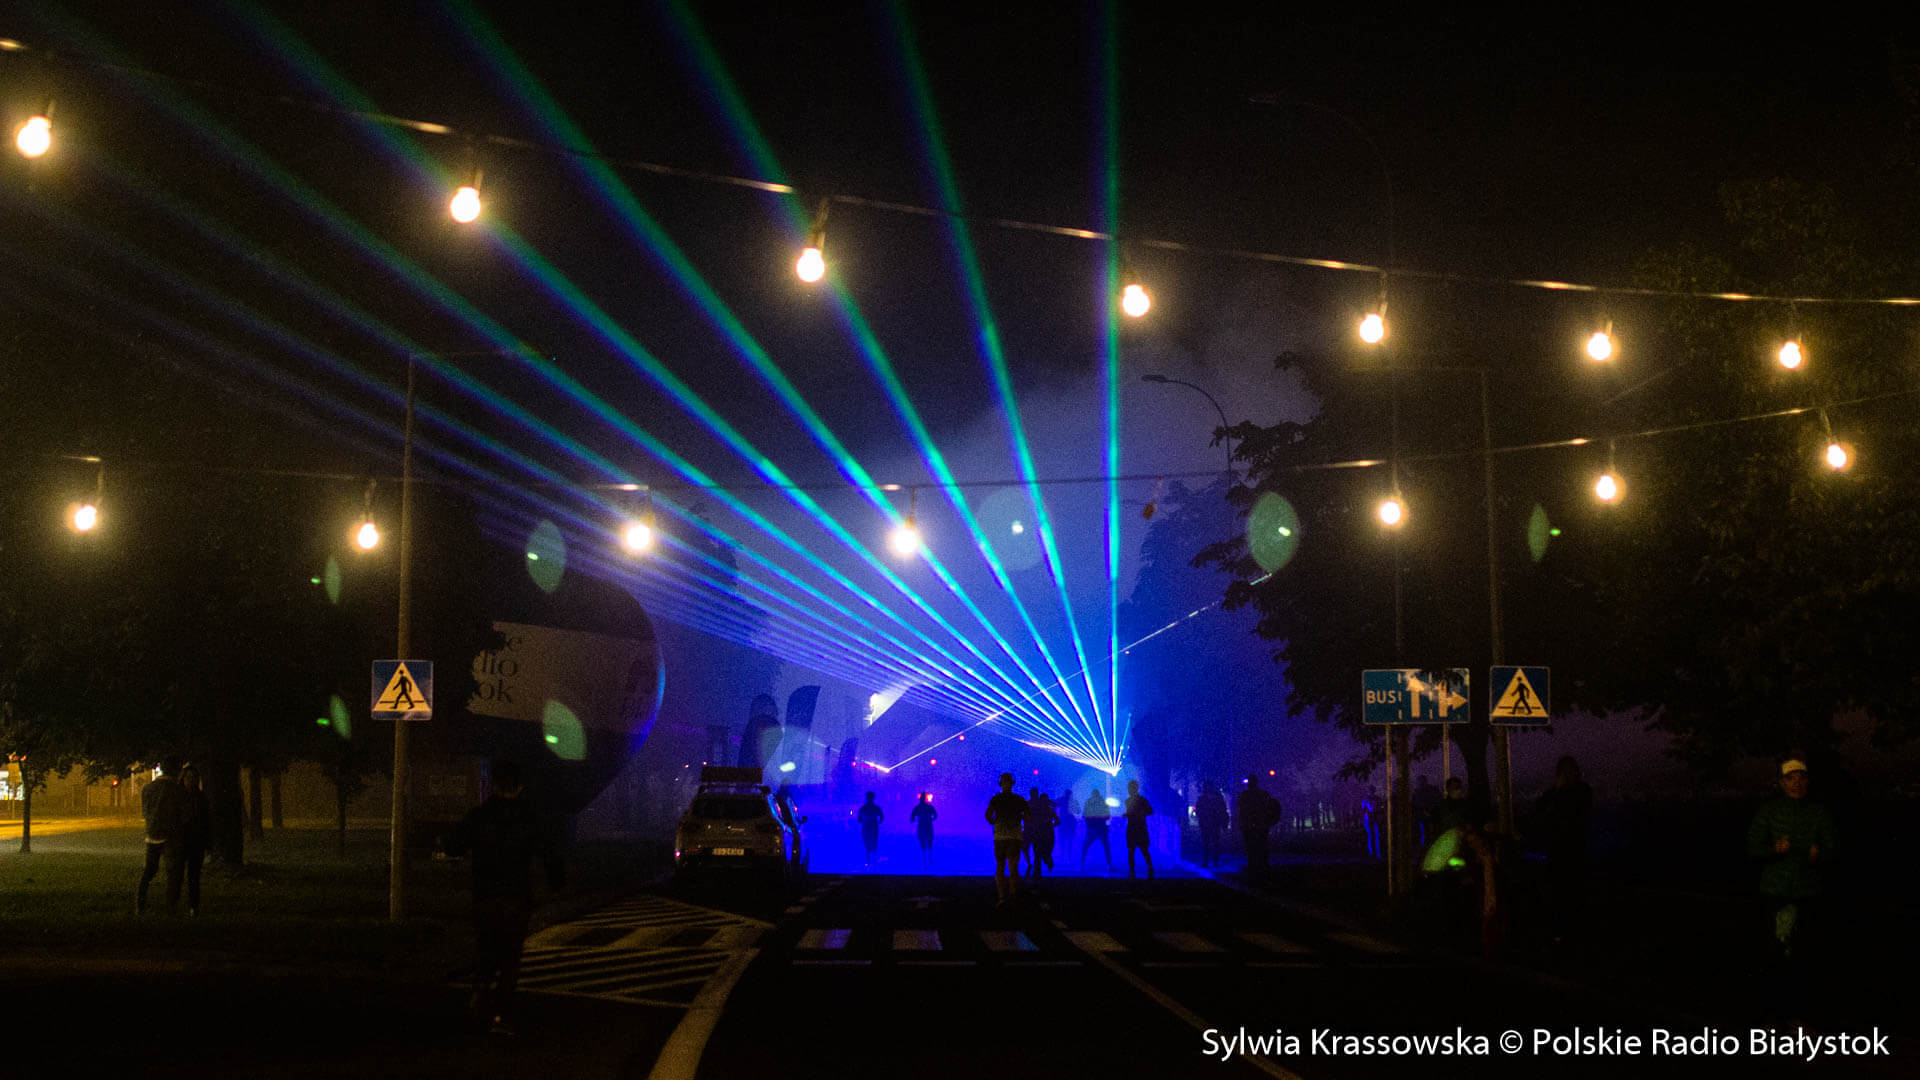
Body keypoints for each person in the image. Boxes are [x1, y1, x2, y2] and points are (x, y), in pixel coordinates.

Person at [443, 760, 565, 1035]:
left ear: (494, 785)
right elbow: (549, 853)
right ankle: (501, 1014)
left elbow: (454, 845)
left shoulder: (480, 816)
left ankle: (480, 989)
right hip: (516, 897)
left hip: (485, 895)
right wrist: (556, 883)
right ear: (519, 787)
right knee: (510, 957)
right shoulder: (528, 818)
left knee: (486, 946)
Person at [1746, 757, 1837, 1009]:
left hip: (1808, 893)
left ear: (1808, 782)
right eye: (1790, 779)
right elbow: (1752, 848)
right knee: (1772, 953)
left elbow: (1833, 849)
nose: (1796, 783)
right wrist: (1773, 849)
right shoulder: (1769, 811)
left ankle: (1800, 1015)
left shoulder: (1819, 812)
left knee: (1806, 954)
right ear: (1781, 783)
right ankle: (1771, 1014)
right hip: (1775, 893)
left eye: (1801, 778)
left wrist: (1820, 855)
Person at [1534, 755, 1593, 945]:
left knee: (1566, 892)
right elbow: (1540, 809)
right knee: (1566, 892)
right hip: (1566, 850)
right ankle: (1568, 930)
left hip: (1567, 850)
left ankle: (1566, 931)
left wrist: (1557, 791)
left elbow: (1542, 810)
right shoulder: (1575, 791)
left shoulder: (1576, 792)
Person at [136, 755, 189, 915]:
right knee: (174, 872)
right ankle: (171, 905)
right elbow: (182, 814)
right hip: (171, 835)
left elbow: (145, 812)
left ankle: (140, 904)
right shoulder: (177, 789)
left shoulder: (148, 788)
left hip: (152, 833)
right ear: (176, 770)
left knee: (149, 870)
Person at [985, 774, 1029, 905]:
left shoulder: (996, 799)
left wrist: (995, 822)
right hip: (1015, 837)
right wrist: (1019, 817)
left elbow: (988, 815)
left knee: (1000, 867)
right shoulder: (1019, 799)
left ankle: (1002, 897)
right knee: (1013, 867)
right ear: (1012, 783)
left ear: (1000, 784)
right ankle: (1013, 896)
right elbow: (1028, 817)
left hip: (1000, 837)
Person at [179, 763, 213, 917]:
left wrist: (208, 843)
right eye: (188, 777)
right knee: (178, 874)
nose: (191, 780)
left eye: (193, 777)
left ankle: (193, 905)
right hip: (181, 840)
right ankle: (175, 903)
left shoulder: (201, 798)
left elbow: (207, 822)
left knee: (193, 876)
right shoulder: (179, 798)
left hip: (196, 842)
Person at [1235, 776, 1279, 875]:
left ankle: (1252, 866)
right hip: (1261, 824)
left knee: (1250, 847)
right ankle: (1263, 866)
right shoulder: (1263, 794)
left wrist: (1242, 823)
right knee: (1262, 846)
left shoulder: (1245, 795)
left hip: (1249, 825)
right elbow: (1270, 807)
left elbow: (1241, 808)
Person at [1123, 780, 1154, 881]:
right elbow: (1150, 811)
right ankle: (1148, 869)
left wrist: (1131, 814)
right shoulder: (1140, 800)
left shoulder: (1130, 801)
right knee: (1141, 850)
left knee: (1134, 851)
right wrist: (1139, 813)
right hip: (1139, 828)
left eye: (1130, 788)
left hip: (1134, 828)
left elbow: (1150, 811)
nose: (1129, 790)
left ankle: (1133, 873)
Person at [1195, 781, 1229, 868]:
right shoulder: (1217, 797)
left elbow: (1199, 810)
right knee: (1214, 843)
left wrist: (1201, 819)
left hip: (1208, 823)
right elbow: (1223, 810)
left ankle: (1208, 861)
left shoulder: (1203, 798)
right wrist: (1224, 824)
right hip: (1213, 823)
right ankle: (1213, 861)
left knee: (1208, 843)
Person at [1025, 788, 1057, 878]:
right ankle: (1037, 872)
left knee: (1043, 852)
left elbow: (1057, 818)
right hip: (1037, 832)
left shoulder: (1046, 808)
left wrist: (1049, 825)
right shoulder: (1035, 806)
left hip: (1044, 833)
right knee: (1037, 852)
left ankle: (1045, 863)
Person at [1080, 790, 1113, 872]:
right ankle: (1110, 866)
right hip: (1101, 828)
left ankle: (1081, 864)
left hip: (1092, 828)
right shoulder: (1102, 802)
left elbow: (1084, 815)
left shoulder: (1089, 802)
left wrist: (1089, 823)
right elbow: (1108, 815)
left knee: (1085, 846)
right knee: (1106, 847)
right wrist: (1102, 821)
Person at [909, 792, 937, 870]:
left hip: (922, 826)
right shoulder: (929, 807)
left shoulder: (917, 807)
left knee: (924, 843)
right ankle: (928, 859)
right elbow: (935, 816)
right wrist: (931, 818)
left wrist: (913, 819)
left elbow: (911, 818)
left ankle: (926, 861)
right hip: (927, 826)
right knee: (928, 842)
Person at [857, 791, 884, 868]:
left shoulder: (863, 808)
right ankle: (873, 861)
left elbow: (859, 819)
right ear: (873, 798)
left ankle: (869, 862)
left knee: (867, 844)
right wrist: (876, 822)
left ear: (867, 798)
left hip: (866, 827)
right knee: (873, 843)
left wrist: (865, 820)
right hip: (873, 827)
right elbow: (881, 818)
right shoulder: (876, 808)